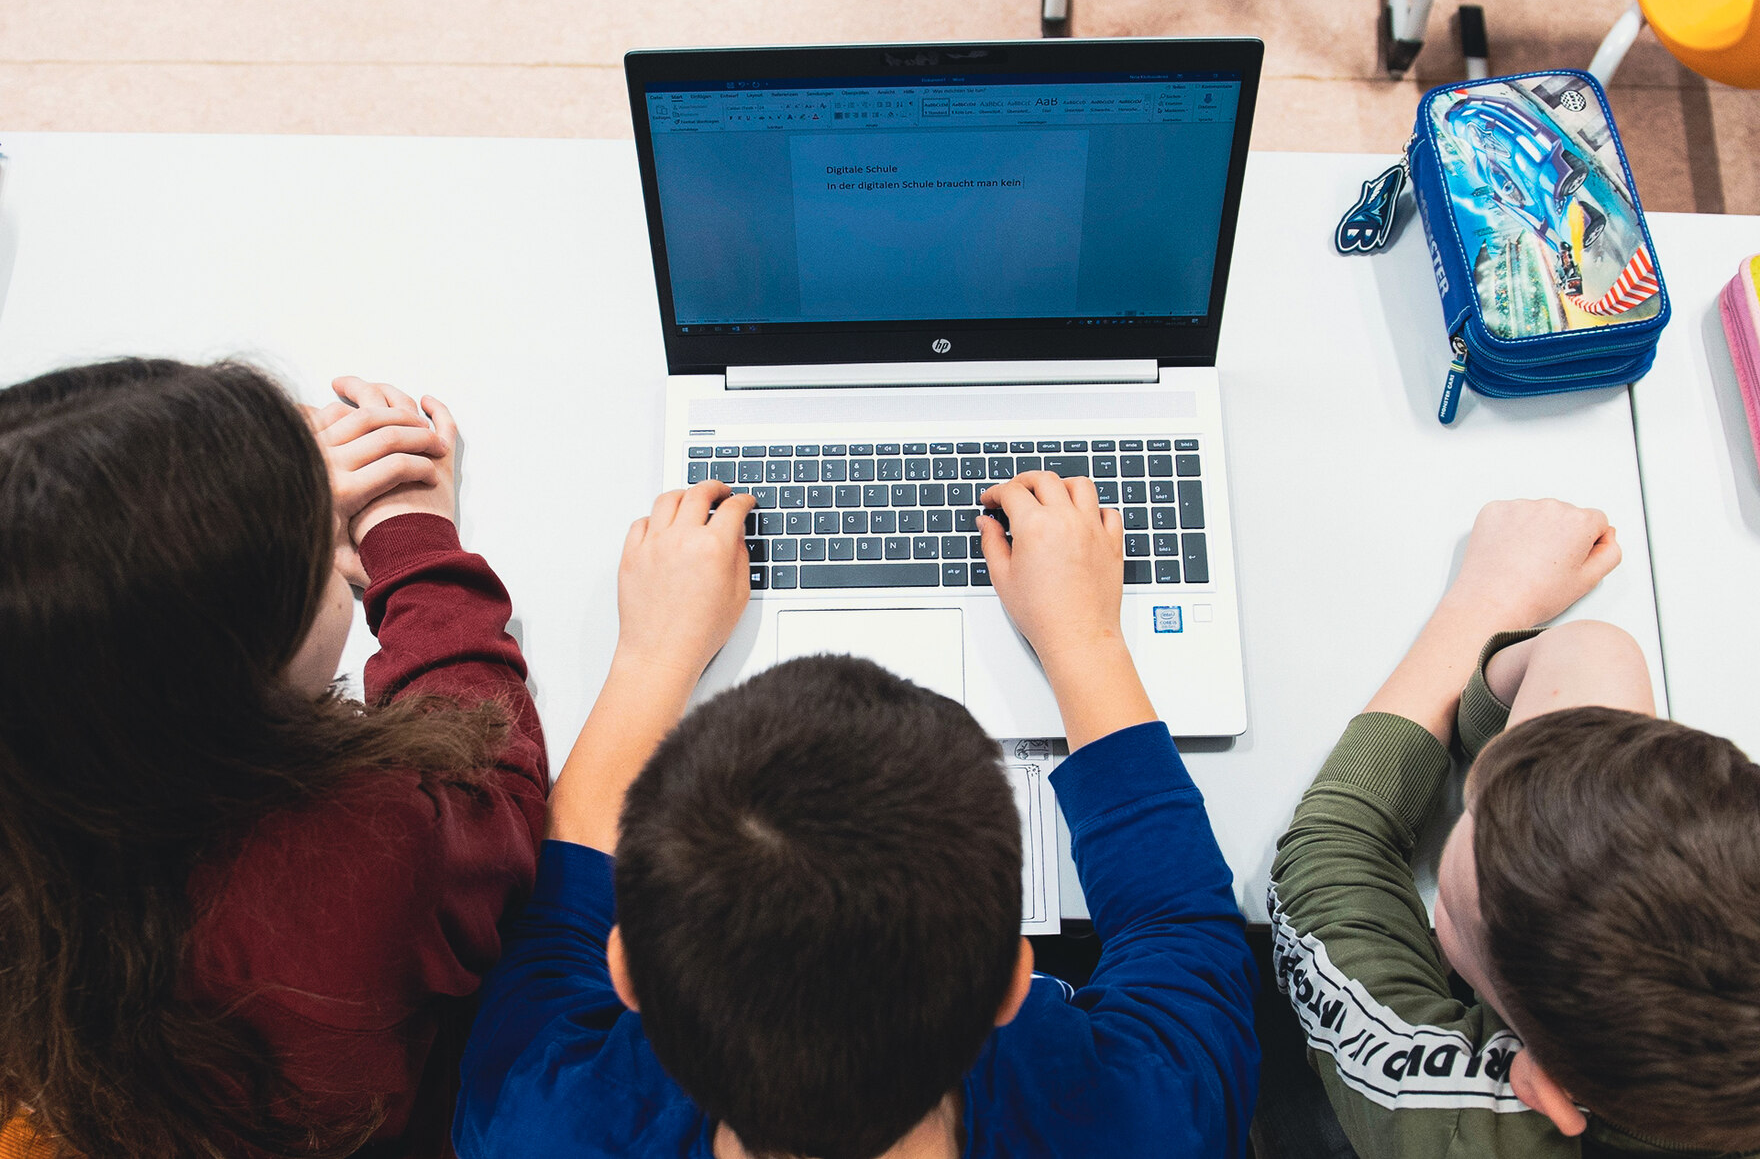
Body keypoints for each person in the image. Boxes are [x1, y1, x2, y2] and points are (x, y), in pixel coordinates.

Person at [455, 471, 1259, 1159]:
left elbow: (559, 924)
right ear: (1014, 980)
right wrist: (1085, 639)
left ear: (626, 968)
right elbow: (1182, 929)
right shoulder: (1155, 1122)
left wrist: (653, 654)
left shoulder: (537, 1121)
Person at [0, 360, 549, 1159]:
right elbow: (492, 777)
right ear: (229, 679)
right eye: (310, 555)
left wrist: (241, 494)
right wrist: (411, 538)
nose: (328, 548)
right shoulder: (357, 856)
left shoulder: (52, 761)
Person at [1269, 498, 1760, 1158]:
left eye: (1468, 814)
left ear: (1535, 1067)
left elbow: (1332, 848)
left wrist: (1490, 600)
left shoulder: (1464, 1126)